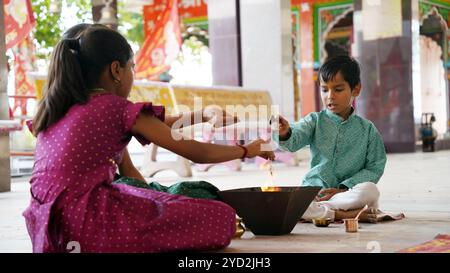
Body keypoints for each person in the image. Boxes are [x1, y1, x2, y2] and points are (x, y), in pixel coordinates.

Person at [24, 25, 274, 253]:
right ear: (116, 70)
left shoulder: (58, 108)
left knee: (159, 197)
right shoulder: (113, 107)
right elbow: (199, 153)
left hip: (45, 225)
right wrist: (247, 150)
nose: (133, 74)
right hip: (86, 224)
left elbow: (155, 127)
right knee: (220, 216)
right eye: (132, 67)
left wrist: (204, 115)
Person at [273, 55, 387, 222]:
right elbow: (294, 139)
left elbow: (375, 167)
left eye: (338, 89)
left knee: (370, 190)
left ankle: (318, 212)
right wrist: (284, 132)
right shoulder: (314, 121)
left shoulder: (368, 130)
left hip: (347, 194)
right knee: (291, 200)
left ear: (356, 89)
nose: (330, 96)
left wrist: (343, 189)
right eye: (324, 89)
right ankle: (344, 214)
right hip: (315, 193)